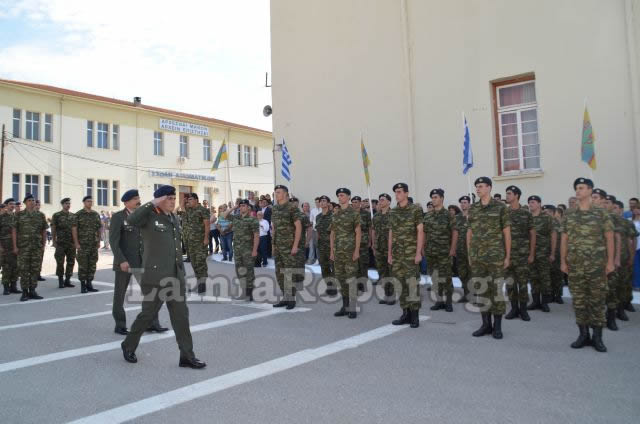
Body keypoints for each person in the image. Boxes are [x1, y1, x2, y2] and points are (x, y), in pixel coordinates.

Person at [120, 185, 206, 368]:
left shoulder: (173, 217)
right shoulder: (148, 216)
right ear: (159, 200)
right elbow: (132, 220)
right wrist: (151, 203)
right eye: (169, 198)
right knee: (147, 315)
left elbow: (175, 248)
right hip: (156, 277)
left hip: (175, 277)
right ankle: (128, 345)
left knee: (181, 318)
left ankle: (187, 356)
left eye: (174, 198)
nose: (173, 201)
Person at [560, 178, 614, 352]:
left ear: (590, 190)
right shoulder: (570, 214)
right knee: (579, 301)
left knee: (597, 300)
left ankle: (597, 337)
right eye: (576, 188)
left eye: (581, 188)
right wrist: (563, 260)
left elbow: (609, 237)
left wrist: (611, 261)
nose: (578, 191)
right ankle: (583, 335)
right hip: (575, 265)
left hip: (596, 265)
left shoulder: (600, 213)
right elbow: (565, 239)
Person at [109, 189, 168, 335]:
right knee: (119, 295)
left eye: (139, 198)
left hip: (143, 262)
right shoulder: (118, 217)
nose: (138, 201)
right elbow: (113, 242)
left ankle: (152, 323)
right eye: (135, 199)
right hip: (125, 263)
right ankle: (120, 324)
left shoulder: (143, 217)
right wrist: (121, 260)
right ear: (126, 202)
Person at [467, 177, 511, 340]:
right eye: (476, 186)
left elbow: (506, 232)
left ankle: (497, 327)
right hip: (478, 257)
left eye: (480, 186)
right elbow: (469, 232)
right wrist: (470, 254)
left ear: (489, 188)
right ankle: (486, 324)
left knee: (497, 292)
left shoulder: (500, 207)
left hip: (495, 257)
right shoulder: (474, 208)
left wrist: (507, 255)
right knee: (481, 291)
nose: (478, 189)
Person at [389, 183, 424, 329]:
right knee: (400, 284)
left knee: (412, 285)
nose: (396, 194)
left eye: (399, 192)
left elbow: (420, 231)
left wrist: (418, 253)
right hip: (397, 254)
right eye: (395, 192)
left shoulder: (415, 209)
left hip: (410, 254)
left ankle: (414, 316)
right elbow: (391, 232)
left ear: (406, 193)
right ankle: (405, 314)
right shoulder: (394, 211)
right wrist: (389, 253)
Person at [503, 186, 535, 321]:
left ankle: (523, 310)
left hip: (522, 255)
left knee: (522, 283)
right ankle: (513, 308)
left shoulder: (526, 213)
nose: (507, 196)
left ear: (516, 195)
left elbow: (532, 234)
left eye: (509, 194)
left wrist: (531, 254)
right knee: (510, 283)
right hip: (507, 255)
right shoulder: (504, 212)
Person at [424, 188, 458, 312]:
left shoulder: (449, 215)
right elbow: (425, 233)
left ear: (442, 198)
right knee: (435, 277)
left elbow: (455, 233)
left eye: (436, 197)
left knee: (446, 277)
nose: (433, 200)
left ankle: (448, 302)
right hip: (431, 251)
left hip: (445, 251)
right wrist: (423, 247)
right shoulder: (427, 216)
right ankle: (439, 301)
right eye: (432, 197)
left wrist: (453, 248)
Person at [330, 188, 361, 318]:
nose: (339, 197)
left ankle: (352, 308)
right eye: (338, 195)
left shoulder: (354, 213)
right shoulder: (335, 214)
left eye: (342, 195)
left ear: (348, 197)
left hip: (350, 252)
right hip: (338, 252)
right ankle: (345, 306)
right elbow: (332, 233)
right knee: (341, 279)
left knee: (351, 279)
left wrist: (356, 251)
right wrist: (332, 251)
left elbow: (358, 232)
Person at [271, 185, 302, 309]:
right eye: (275, 193)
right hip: (278, 245)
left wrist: (295, 245)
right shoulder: (275, 208)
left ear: (285, 194)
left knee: (289, 272)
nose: (276, 195)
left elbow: (298, 227)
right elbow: (274, 228)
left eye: (278, 192)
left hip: (289, 246)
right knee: (279, 273)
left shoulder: (292, 208)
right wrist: (273, 245)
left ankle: (291, 299)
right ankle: (285, 297)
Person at [14, 194, 48, 301]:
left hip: (36, 247)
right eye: (29, 200)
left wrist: (43, 245)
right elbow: (14, 231)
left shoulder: (40, 215)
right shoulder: (19, 215)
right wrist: (15, 246)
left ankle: (32, 291)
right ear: (25, 203)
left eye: (33, 200)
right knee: (24, 270)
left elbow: (43, 231)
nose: (32, 202)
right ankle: (24, 292)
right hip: (23, 247)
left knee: (34, 269)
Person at [224, 200, 259, 300]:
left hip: (248, 249)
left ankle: (249, 294)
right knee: (240, 271)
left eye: (244, 206)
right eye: (241, 206)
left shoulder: (253, 220)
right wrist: (234, 207)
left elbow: (256, 236)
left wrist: (255, 250)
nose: (241, 208)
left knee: (249, 271)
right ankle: (244, 292)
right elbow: (224, 215)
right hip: (238, 249)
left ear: (248, 207)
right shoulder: (236, 218)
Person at [527, 195, 554, 313]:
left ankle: (544, 302)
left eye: (533, 202)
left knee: (544, 277)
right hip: (530, 252)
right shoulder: (527, 217)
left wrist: (552, 252)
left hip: (543, 252)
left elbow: (553, 235)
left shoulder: (546, 218)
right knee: (533, 277)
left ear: (539, 204)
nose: (530, 204)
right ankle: (535, 301)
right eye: (529, 202)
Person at [72, 195, 102, 293]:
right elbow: (74, 229)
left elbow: (99, 228)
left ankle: (89, 283)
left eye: (91, 201)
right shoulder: (78, 215)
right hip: (83, 244)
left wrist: (98, 241)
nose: (90, 203)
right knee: (83, 265)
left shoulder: (95, 214)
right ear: (84, 203)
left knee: (92, 264)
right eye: (88, 201)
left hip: (93, 244)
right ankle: (83, 285)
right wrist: (76, 243)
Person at [613, 200, 638, 316]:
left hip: (623, 258)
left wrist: (632, 256)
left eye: (616, 207)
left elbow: (633, 240)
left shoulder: (627, 223)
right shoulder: (606, 222)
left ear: (621, 210)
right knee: (612, 286)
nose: (613, 209)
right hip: (608, 259)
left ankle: (622, 307)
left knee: (623, 284)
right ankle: (611, 311)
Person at [184, 193, 210, 293]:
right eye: (188, 200)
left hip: (200, 241)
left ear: (196, 200)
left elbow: (207, 225)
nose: (188, 201)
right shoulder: (189, 209)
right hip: (191, 241)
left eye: (190, 199)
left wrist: (206, 238)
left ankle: (202, 285)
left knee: (200, 262)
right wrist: (184, 200)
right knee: (194, 262)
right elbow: (182, 206)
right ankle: (199, 283)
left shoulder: (203, 210)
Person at [373, 193, 393, 305]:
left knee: (391, 272)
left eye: (383, 200)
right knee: (382, 272)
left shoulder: (393, 215)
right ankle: (387, 294)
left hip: (390, 248)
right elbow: (374, 231)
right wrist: (374, 245)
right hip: (379, 248)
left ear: (389, 202)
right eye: (379, 200)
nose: (380, 202)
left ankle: (392, 295)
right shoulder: (376, 216)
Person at [51, 198, 76, 288]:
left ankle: (68, 280)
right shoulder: (57, 215)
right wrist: (54, 241)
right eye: (66, 203)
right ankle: (60, 280)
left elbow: (76, 230)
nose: (68, 205)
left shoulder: (73, 216)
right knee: (60, 262)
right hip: (60, 243)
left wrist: (76, 242)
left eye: (69, 203)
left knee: (71, 262)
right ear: (62, 205)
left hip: (71, 243)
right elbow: (53, 229)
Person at [315, 195, 336, 295]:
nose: (322, 203)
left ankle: (334, 286)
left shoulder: (334, 215)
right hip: (321, 245)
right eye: (320, 201)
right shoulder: (318, 216)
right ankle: (329, 286)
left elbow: (336, 232)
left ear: (328, 203)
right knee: (324, 267)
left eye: (324, 201)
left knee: (334, 266)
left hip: (331, 245)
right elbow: (318, 231)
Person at [0, 198, 20, 295]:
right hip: (5, 245)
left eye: (14, 204)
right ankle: (6, 287)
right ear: (6, 206)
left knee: (15, 266)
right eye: (10, 204)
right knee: (6, 267)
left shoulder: (17, 217)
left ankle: (14, 286)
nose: (12, 205)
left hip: (16, 245)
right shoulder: (2, 217)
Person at [351, 196, 372, 291]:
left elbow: (370, 228)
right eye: (353, 202)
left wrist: (370, 240)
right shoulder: (349, 214)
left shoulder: (366, 214)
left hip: (363, 242)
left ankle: (362, 284)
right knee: (353, 264)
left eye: (356, 202)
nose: (355, 203)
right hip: (351, 242)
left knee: (363, 264)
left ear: (360, 203)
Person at [456, 196, 472, 303]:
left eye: (465, 202)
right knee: (462, 273)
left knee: (472, 273)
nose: (463, 204)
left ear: (469, 204)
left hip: (471, 250)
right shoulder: (457, 218)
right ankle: (466, 294)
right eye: (461, 202)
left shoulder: (473, 217)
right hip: (460, 250)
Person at [548, 205, 565, 303]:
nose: (547, 214)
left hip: (559, 252)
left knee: (558, 275)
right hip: (548, 252)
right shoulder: (547, 223)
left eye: (549, 212)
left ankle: (558, 295)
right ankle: (550, 294)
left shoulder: (561, 223)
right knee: (549, 274)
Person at [34, 199, 47, 282]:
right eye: (36, 204)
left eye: (39, 205)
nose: (37, 206)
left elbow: (44, 230)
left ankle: (38, 274)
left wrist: (44, 243)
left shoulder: (41, 215)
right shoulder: (27, 214)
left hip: (39, 242)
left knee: (39, 259)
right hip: (28, 242)